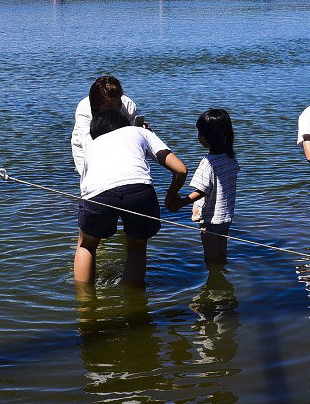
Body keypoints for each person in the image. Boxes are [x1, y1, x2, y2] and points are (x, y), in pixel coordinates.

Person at [75, 108, 187, 286]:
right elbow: (181, 169)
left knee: (87, 245)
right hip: (139, 191)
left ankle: (85, 306)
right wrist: (171, 195)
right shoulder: (139, 131)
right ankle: (133, 305)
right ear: (123, 123)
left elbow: (86, 184)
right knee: (136, 247)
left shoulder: (90, 144)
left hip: (97, 193)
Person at [165, 109, 240, 265]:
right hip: (226, 215)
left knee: (210, 258)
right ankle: (223, 280)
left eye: (199, 133)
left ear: (207, 137)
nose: (198, 136)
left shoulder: (208, 162)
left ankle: (214, 285)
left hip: (210, 218)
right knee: (221, 253)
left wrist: (180, 203)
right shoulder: (231, 158)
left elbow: (201, 191)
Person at [71, 75, 144, 176]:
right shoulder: (84, 109)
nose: (116, 109)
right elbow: (88, 145)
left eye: (118, 104)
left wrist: (143, 133)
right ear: (97, 106)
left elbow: (136, 142)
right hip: (85, 150)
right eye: (110, 106)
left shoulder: (128, 105)